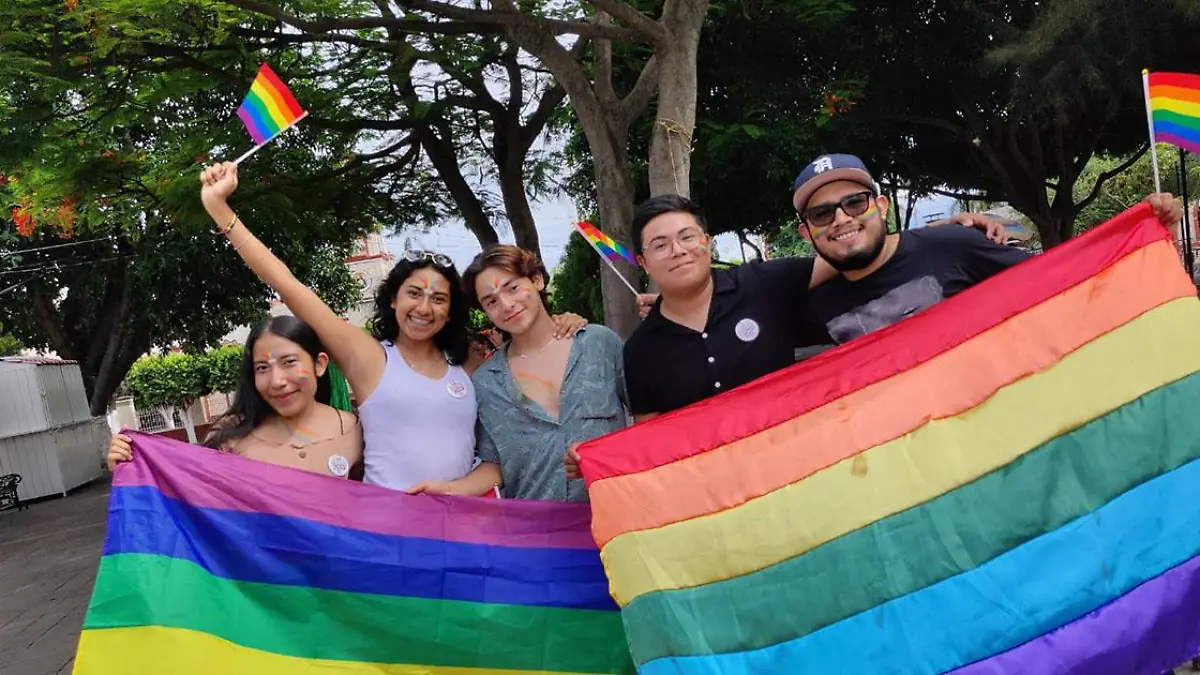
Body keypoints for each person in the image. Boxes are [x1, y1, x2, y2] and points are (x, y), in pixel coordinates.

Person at [196, 162, 584, 494]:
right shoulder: (368, 357)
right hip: (387, 533)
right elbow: (289, 286)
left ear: (450, 311)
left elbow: (517, 421)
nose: (423, 308)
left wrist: (563, 323)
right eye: (413, 293)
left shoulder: (471, 365)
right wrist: (221, 212)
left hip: (466, 526)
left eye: (438, 298)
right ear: (394, 299)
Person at [621, 194, 1008, 422]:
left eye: (688, 237)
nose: (678, 251)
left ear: (707, 242)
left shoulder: (762, 284)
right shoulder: (640, 352)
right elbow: (646, 441)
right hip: (717, 508)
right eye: (660, 245)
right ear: (642, 261)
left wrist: (946, 232)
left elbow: (853, 252)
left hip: (801, 473)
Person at [792, 154, 1184, 343]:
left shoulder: (955, 244)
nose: (842, 219)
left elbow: (1063, 281)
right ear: (807, 233)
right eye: (823, 213)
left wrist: (1138, 243)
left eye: (855, 203)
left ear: (880, 206)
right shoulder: (812, 307)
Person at [462, 245, 628, 499]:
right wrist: (445, 490)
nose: (506, 305)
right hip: (536, 531)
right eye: (491, 301)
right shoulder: (485, 384)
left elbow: (646, 420)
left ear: (536, 280)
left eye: (512, 287)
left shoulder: (599, 344)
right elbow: (492, 464)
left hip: (618, 521)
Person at [107, 315, 363, 478]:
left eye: (289, 362)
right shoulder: (228, 437)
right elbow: (187, 497)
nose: (277, 381)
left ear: (319, 364)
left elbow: (380, 508)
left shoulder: (354, 430)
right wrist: (131, 467)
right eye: (262, 368)